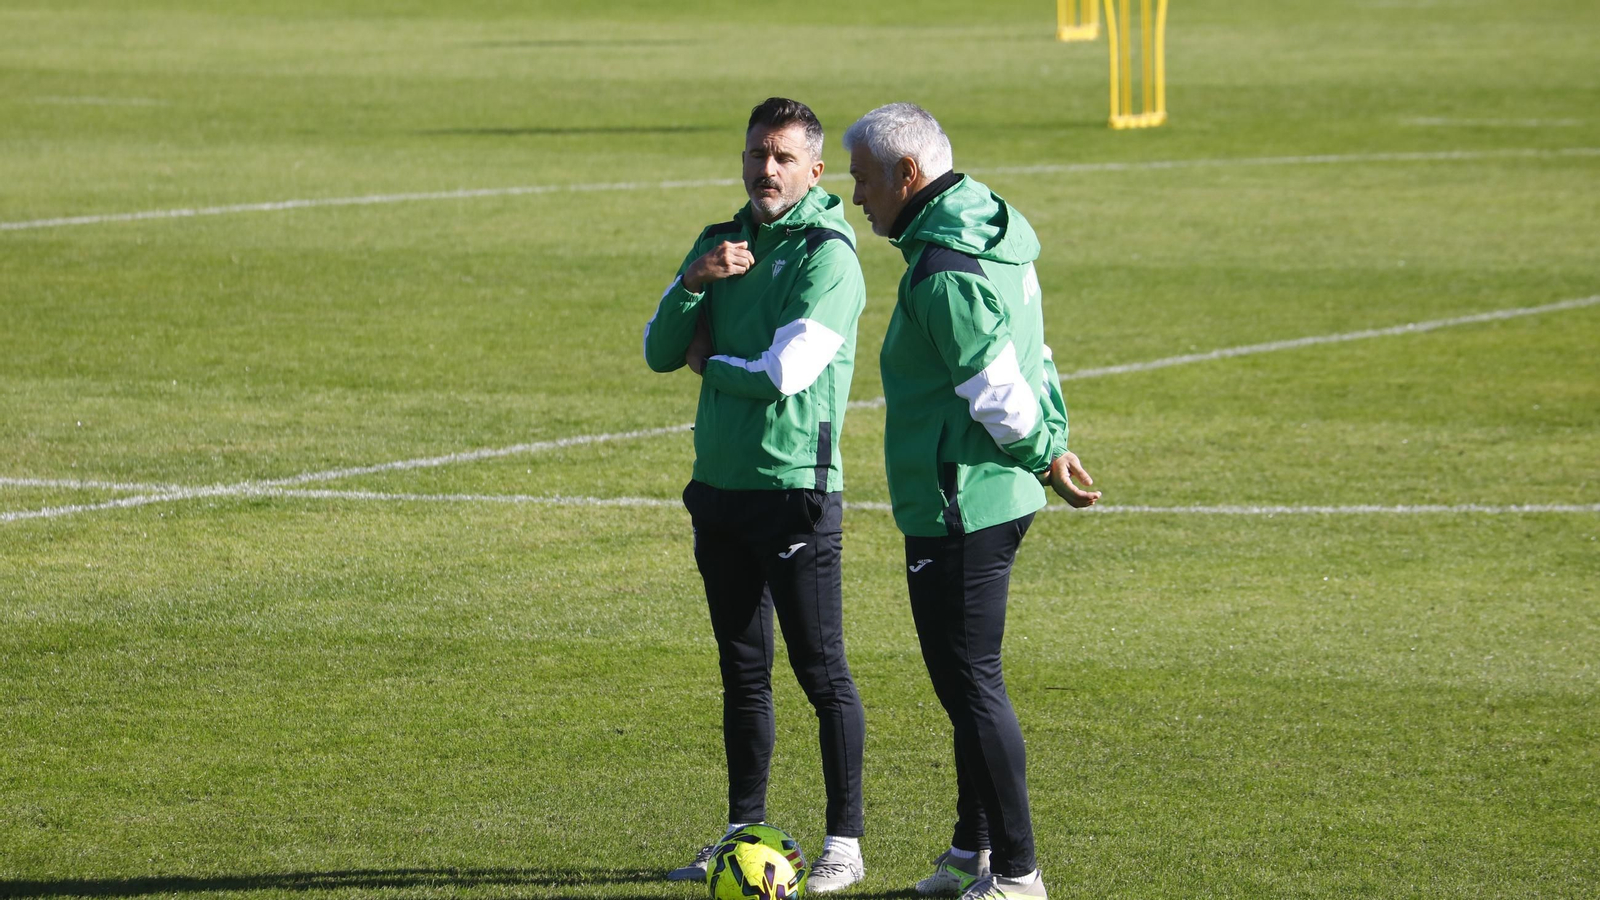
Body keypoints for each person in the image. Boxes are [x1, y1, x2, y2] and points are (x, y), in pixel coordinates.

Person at [841, 102, 1101, 900]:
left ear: (907, 176)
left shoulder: (940, 271)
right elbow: (1040, 353)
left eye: (863, 181)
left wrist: (1041, 451)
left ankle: (1017, 874)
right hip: (1000, 492)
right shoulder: (994, 229)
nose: (857, 198)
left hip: (963, 501)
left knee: (971, 684)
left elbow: (996, 388)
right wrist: (1052, 444)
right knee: (967, 683)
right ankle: (972, 852)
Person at [644, 97, 868, 893]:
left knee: (820, 671)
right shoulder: (717, 241)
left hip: (793, 491)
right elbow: (658, 350)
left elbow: (787, 374)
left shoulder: (828, 253)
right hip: (720, 490)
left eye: (780, 157)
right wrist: (690, 280)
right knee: (742, 668)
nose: (764, 170)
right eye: (754, 154)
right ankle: (742, 829)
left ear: (814, 169)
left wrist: (714, 367)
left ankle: (846, 841)